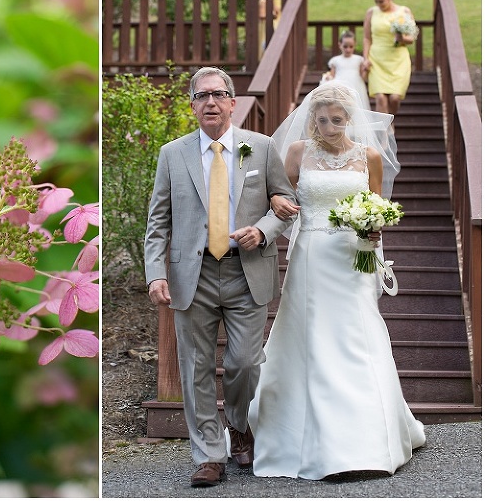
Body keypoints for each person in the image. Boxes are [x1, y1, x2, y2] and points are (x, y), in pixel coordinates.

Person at [247, 81, 426, 480]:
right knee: (312, 336)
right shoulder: (298, 152)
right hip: (311, 255)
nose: (329, 127)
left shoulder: (369, 156)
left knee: (357, 335)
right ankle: (310, 436)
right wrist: (275, 202)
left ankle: (370, 435)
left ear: (349, 119)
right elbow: (282, 199)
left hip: (352, 257)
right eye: (323, 120)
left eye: (337, 120)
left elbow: (377, 205)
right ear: (312, 119)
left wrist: (373, 229)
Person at [144, 66, 296, 487]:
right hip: (190, 274)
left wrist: (262, 230)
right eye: (201, 96)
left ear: (232, 103)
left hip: (246, 270)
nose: (210, 102)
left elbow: (285, 201)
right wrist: (155, 273)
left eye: (218, 94)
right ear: (192, 106)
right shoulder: (172, 154)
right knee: (195, 367)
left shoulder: (261, 148)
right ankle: (209, 455)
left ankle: (239, 425)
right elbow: (158, 221)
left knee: (244, 362)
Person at [362, 0, 417, 118]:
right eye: (376, 1)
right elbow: (367, 38)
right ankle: (385, 129)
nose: (379, 4)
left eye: (381, 1)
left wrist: (401, 38)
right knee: (380, 97)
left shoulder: (404, 11)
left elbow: (411, 38)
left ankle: (390, 122)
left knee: (394, 98)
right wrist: (365, 58)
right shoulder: (371, 13)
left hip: (397, 61)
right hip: (377, 60)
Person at [321, 30, 371, 111]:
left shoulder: (359, 60)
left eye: (351, 47)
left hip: (356, 86)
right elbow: (332, 75)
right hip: (341, 86)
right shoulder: (335, 60)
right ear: (340, 45)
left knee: (357, 106)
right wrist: (328, 77)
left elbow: (363, 77)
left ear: (355, 44)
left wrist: (366, 69)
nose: (348, 50)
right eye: (345, 46)